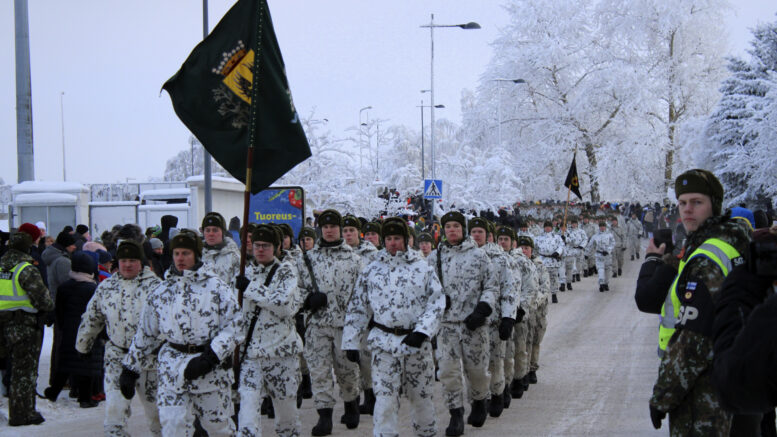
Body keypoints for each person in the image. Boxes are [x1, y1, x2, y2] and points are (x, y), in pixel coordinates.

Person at [647, 169, 750, 436]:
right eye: (682, 203)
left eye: (697, 202)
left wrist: (664, 395)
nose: (687, 210)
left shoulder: (707, 257)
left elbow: (695, 339)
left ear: (713, 206)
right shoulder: (734, 241)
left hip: (705, 392)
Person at [120, 230, 244, 437]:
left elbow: (235, 326)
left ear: (196, 254)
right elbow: (146, 333)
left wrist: (211, 357)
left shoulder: (216, 288)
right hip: (172, 370)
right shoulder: (162, 292)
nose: (180, 258)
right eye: (176, 253)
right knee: (173, 427)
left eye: (185, 253)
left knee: (219, 429)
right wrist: (130, 368)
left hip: (209, 371)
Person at [343, 217, 445, 437]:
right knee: (385, 400)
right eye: (388, 238)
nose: (392, 243)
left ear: (406, 240)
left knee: (422, 398)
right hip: (383, 343)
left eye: (397, 238)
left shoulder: (422, 268)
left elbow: (436, 302)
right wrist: (351, 341)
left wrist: (422, 331)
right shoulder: (371, 270)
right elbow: (358, 307)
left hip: (416, 344)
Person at [76, 240, 163, 436]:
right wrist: (83, 345)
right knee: (114, 415)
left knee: (158, 415)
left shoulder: (156, 287)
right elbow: (92, 317)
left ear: (141, 262)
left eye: (132, 260)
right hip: (117, 357)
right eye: (123, 260)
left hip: (149, 361)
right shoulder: (107, 287)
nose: (128, 265)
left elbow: (169, 323)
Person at [429, 211, 497, 435]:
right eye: (447, 226)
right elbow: (425, 289)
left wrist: (482, 309)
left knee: (476, 370)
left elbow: (491, 286)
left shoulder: (479, 256)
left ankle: (479, 400)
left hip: (473, 324)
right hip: (446, 325)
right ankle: (455, 413)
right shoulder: (434, 258)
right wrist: (437, 300)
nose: (451, 230)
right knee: (448, 371)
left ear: (463, 229)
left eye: (456, 226)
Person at [297, 209, 363, 435]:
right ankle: (324, 416)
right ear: (320, 229)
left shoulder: (354, 260)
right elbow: (294, 290)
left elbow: (363, 296)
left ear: (340, 229)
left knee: (347, 370)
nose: (329, 230)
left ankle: (351, 403)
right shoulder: (307, 260)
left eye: (333, 226)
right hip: (317, 326)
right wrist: (307, 300)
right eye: (325, 227)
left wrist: (358, 331)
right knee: (319, 371)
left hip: (345, 326)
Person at [234, 224, 302, 437]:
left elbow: (281, 304)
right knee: (246, 416)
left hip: (282, 354)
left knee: (286, 418)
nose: (260, 249)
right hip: (252, 356)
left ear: (276, 247)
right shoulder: (244, 272)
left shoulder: (286, 271)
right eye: (256, 245)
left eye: (265, 245)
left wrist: (250, 289)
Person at [0, 229, 55, 426]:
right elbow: (44, 301)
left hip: (2, 325)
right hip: (22, 326)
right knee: (23, 372)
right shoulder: (25, 269)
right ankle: (22, 413)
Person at [468, 218, 518, 418]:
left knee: (495, 362)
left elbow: (509, 290)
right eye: (473, 231)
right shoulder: (466, 257)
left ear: (489, 235)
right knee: (473, 364)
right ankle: (478, 399)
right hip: (471, 322)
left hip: (494, 320)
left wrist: (508, 317)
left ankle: (497, 393)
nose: (476, 235)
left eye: (480, 231)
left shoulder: (500, 259)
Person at [43, 252, 103, 408]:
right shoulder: (93, 288)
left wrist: (64, 327)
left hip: (69, 331)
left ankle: (53, 392)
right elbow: (98, 313)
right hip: (87, 331)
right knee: (86, 365)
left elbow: (60, 311)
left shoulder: (64, 287)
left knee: (65, 364)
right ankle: (85, 398)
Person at [341, 214, 378, 415]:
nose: (348, 234)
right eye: (345, 231)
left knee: (365, 357)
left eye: (351, 231)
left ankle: (371, 395)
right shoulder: (342, 253)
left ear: (359, 233)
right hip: (345, 313)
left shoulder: (370, 254)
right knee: (348, 358)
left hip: (366, 313)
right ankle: (355, 397)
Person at [200, 212, 240, 286]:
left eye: (215, 230)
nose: (211, 234)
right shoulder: (197, 255)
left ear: (223, 232)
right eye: (207, 230)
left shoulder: (234, 257)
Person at [534, 221, 564, 302]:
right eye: (546, 226)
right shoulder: (539, 238)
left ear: (552, 228)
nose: (547, 228)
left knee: (554, 278)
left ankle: (554, 294)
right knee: (543, 279)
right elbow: (534, 248)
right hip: (542, 260)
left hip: (553, 260)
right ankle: (544, 295)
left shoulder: (557, 237)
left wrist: (558, 252)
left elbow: (561, 246)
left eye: (549, 227)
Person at [586, 221, 616, 292]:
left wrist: (608, 250)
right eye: (601, 226)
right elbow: (590, 245)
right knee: (600, 270)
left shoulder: (609, 235)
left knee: (607, 270)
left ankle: (606, 283)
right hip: (599, 255)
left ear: (605, 227)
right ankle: (601, 284)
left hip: (607, 256)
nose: (602, 228)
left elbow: (613, 243)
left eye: (603, 226)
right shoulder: (595, 236)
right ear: (599, 227)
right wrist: (586, 254)